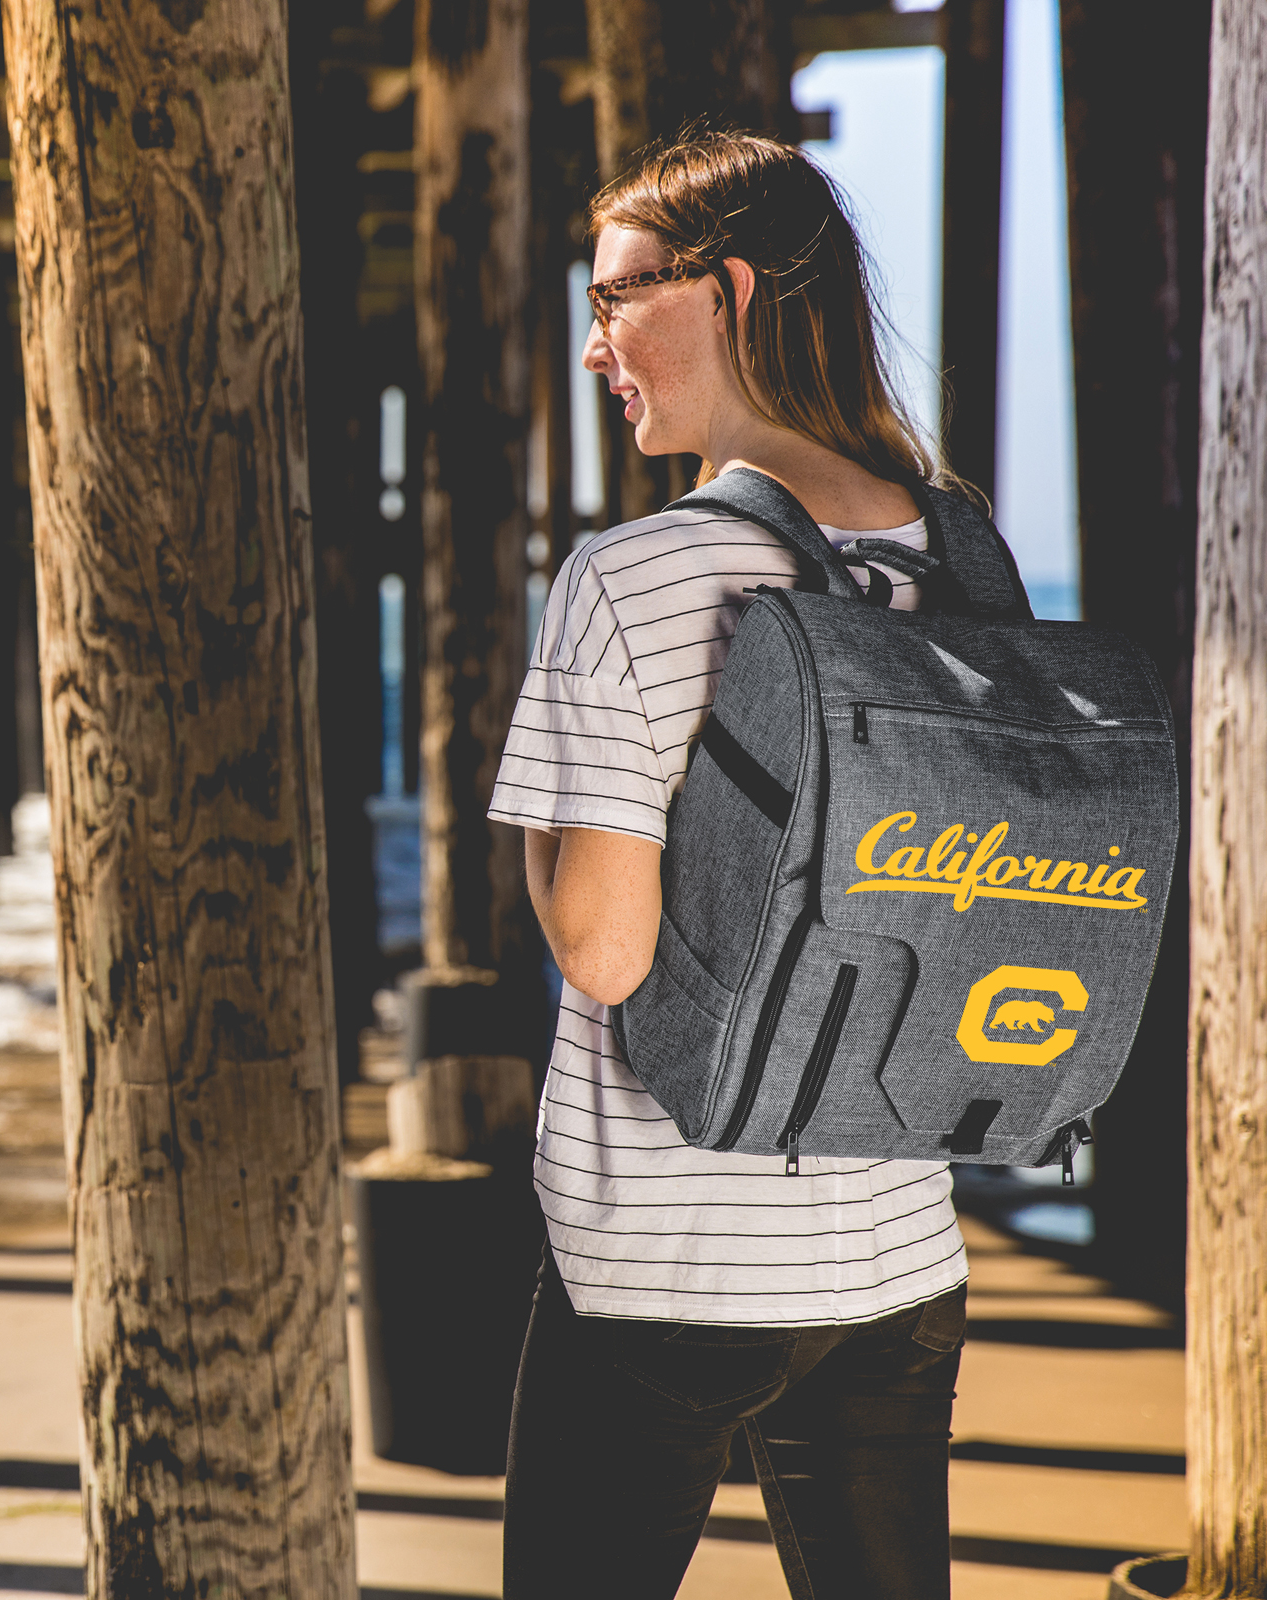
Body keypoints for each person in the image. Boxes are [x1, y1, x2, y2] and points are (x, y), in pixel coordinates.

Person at [490, 133, 974, 1600]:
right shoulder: (968, 555)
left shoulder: (634, 576)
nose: (595, 348)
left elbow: (605, 951)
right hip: (898, 1258)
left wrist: (544, 827)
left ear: (734, 290)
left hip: (667, 1262)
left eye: (617, 297)